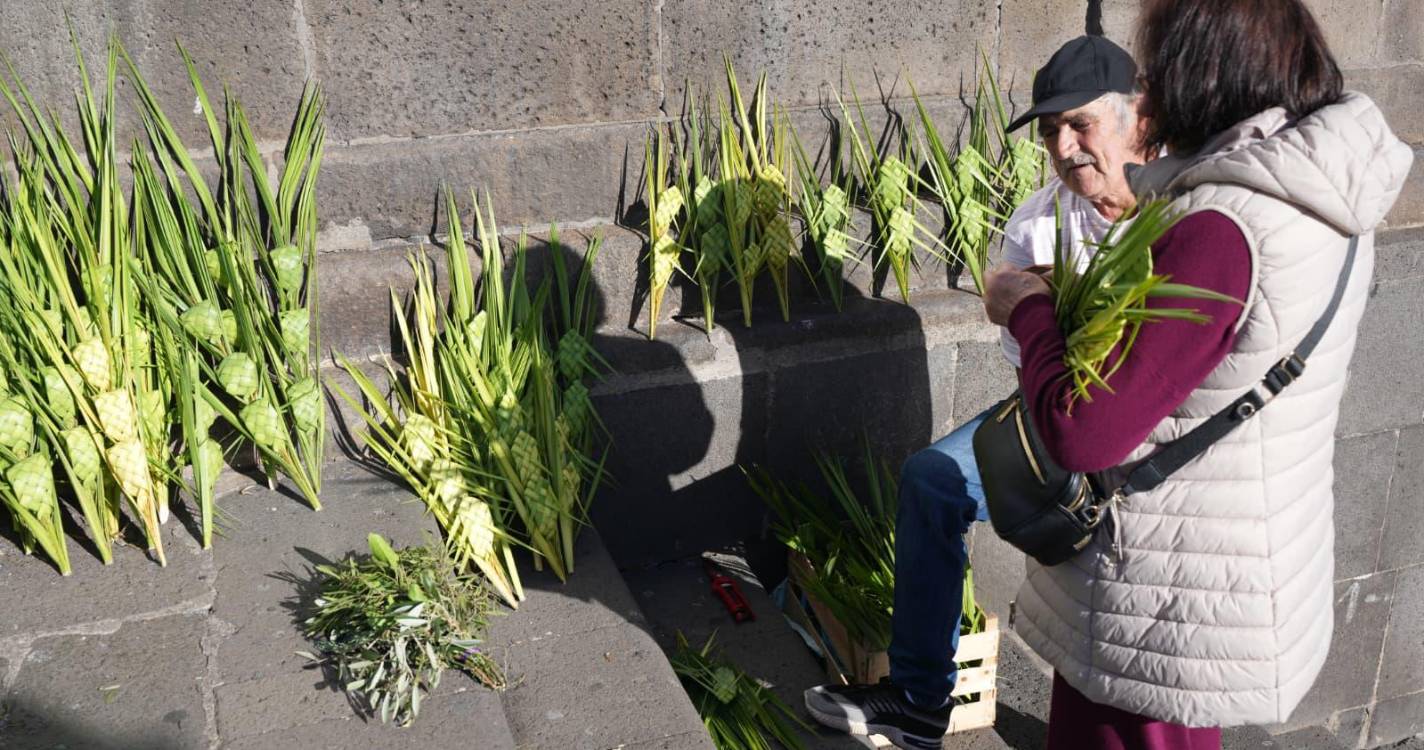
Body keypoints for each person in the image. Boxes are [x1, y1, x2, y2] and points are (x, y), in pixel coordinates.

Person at [981, 1, 1414, 748]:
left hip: (1164, 582)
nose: (1151, 91)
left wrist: (1028, 304)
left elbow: (1085, 432)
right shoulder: (1317, 189)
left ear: (1201, 72)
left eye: (1158, 69)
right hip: (1236, 549)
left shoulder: (1222, 226)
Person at [803, 35, 1153, 750]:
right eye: (1050, 131)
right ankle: (920, 701)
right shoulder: (1038, 225)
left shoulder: (1183, 209)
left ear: (1137, 117)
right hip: (1060, 412)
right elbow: (1027, 364)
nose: (1064, 146)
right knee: (934, 478)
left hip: (1160, 427)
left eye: (1079, 124)